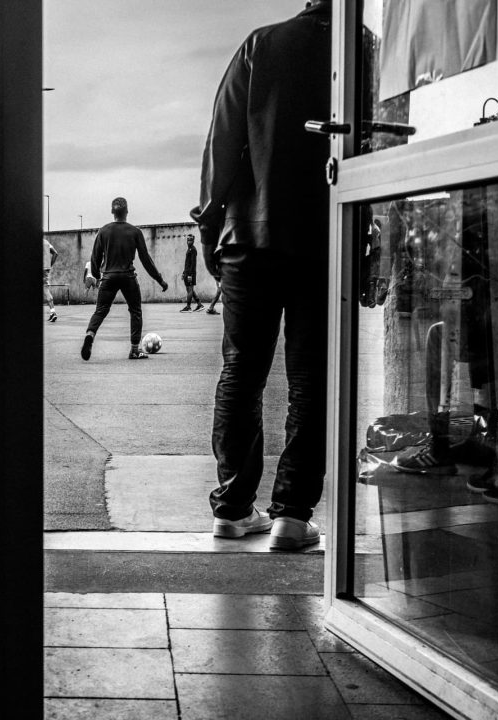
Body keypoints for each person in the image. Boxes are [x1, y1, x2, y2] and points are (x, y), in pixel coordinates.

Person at [190, 0, 331, 551]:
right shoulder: (362, 49)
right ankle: (292, 516)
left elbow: (223, 142)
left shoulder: (261, 43)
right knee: (311, 379)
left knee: (241, 373)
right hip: (324, 235)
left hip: (248, 235)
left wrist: (209, 228)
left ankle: (232, 508)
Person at [80, 197, 168, 361]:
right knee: (135, 311)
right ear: (127, 212)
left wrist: (98, 277)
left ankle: (90, 335)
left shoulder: (104, 231)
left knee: (101, 310)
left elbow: (95, 258)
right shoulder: (135, 232)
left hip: (109, 277)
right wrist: (160, 280)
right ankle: (135, 350)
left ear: (112, 212)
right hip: (128, 277)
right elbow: (145, 259)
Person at [180, 234, 204, 312]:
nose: (189, 241)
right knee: (189, 290)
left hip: (191, 273)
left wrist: (190, 275)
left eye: (190, 240)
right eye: (188, 240)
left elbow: (193, 264)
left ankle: (188, 307)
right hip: (187, 273)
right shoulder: (189, 249)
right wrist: (184, 273)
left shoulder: (193, 249)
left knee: (190, 289)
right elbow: (187, 263)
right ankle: (199, 304)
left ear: (193, 241)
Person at [43, 238, 59, 322]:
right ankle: (53, 312)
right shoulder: (46, 242)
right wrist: (50, 265)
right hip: (45, 269)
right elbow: (55, 253)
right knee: (46, 290)